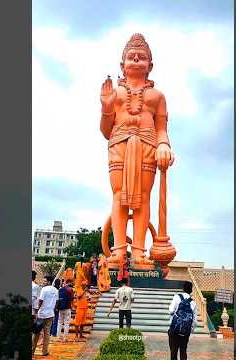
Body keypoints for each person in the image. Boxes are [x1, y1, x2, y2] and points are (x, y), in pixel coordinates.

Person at [100, 33, 175, 269]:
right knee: (119, 194)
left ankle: (139, 251)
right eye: (130, 57)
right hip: (119, 143)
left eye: (141, 57)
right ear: (122, 65)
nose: (135, 59)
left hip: (147, 145)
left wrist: (164, 145)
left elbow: (162, 128)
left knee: (143, 197)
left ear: (150, 66)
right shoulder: (115, 94)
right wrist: (106, 108)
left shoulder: (157, 96)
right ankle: (119, 250)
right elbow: (105, 131)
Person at [167, 281, 198, 360]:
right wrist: (189, 330)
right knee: (183, 350)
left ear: (183, 289)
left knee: (173, 351)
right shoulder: (193, 303)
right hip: (185, 331)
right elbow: (194, 321)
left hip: (174, 329)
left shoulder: (177, 297)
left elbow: (171, 310)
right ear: (191, 290)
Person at [32, 275, 58, 357]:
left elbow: (40, 301)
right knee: (47, 334)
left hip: (42, 314)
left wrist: (36, 311)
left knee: (36, 333)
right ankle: (45, 351)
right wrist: (53, 309)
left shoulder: (44, 289)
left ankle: (32, 350)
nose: (43, 282)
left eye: (45, 281)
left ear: (49, 282)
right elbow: (57, 302)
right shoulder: (56, 290)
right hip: (50, 314)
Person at [56, 278, 74, 342]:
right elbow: (72, 299)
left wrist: (57, 307)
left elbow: (58, 299)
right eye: (71, 282)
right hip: (67, 308)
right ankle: (65, 338)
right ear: (69, 282)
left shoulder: (60, 289)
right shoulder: (70, 290)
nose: (72, 284)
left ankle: (58, 337)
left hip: (61, 308)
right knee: (66, 323)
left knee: (60, 322)